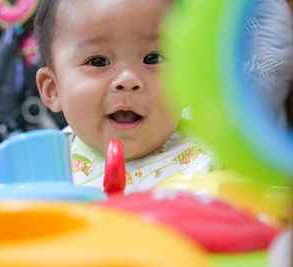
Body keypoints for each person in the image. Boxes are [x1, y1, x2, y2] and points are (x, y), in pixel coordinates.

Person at [34, 0, 213, 193]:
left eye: (154, 58)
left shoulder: (216, 143)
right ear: (53, 89)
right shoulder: (44, 176)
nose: (128, 79)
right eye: (98, 61)